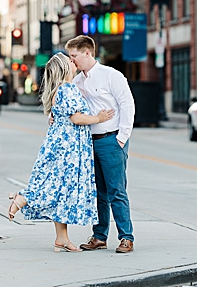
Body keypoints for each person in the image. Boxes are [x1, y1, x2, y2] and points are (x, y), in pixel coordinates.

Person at [7, 53, 115, 252]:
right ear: (64, 69)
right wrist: (99, 118)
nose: (73, 62)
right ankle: (24, 198)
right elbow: (76, 118)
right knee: (60, 188)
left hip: (61, 145)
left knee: (60, 190)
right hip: (69, 148)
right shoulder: (68, 89)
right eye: (69, 61)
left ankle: (61, 238)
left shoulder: (60, 90)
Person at [66, 34, 136, 254]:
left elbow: (127, 105)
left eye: (74, 56)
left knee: (117, 191)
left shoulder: (111, 76)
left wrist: (121, 138)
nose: (72, 61)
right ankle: (99, 236)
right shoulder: (76, 82)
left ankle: (126, 237)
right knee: (98, 193)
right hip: (89, 142)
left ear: (87, 53)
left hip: (111, 139)